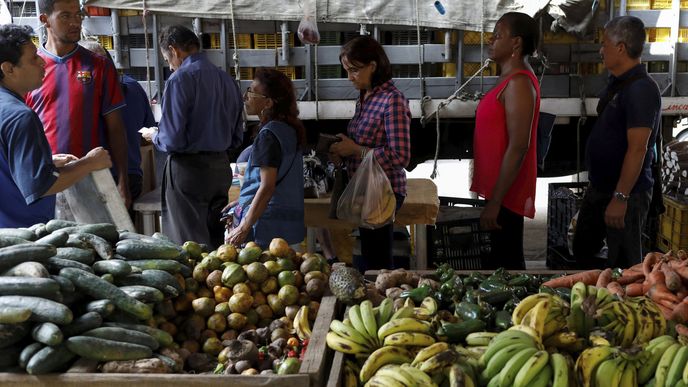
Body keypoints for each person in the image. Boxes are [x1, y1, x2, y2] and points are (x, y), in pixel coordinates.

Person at [0, 24, 112, 228]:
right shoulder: (20, 116)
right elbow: (41, 186)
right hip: (22, 235)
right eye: (33, 58)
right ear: (8, 69)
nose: (42, 62)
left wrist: (44, 162)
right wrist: (89, 163)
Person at [142, 25, 243, 248]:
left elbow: (172, 140)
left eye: (167, 59)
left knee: (189, 245)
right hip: (220, 169)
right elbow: (238, 136)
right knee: (216, 242)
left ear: (174, 50)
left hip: (189, 173)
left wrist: (155, 136)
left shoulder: (179, 80)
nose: (170, 65)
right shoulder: (227, 80)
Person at [573, 16, 661, 269]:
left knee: (624, 267)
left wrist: (620, 198)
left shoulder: (641, 89)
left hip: (626, 196)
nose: (601, 50)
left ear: (621, 47)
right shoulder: (620, 84)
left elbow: (638, 148)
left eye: (604, 44)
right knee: (583, 253)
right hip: (601, 189)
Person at [26, 0, 130, 207]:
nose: (75, 22)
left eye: (78, 16)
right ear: (45, 19)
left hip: (91, 178)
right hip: (45, 179)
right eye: (65, 16)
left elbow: (116, 128)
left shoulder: (99, 66)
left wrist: (123, 181)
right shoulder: (28, 69)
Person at [329, 36, 411, 272]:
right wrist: (342, 150)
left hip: (383, 192)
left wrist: (356, 150)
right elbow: (364, 144)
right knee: (370, 257)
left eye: (354, 70)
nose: (350, 77)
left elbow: (400, 156)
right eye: (347, 70)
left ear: (373, 66)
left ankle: (381, 303)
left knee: (378, 264)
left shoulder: (392, 100)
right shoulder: (364, 97)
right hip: (365, 190)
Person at [470, 12, 540, 270]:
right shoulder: (509, 79)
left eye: (498, 35)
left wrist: (496, 201)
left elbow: (519, 146)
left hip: (507, 197)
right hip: (499, 193)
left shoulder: (519, 83)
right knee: (500, 265)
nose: (491, 39)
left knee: (507, 266)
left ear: (516, 43)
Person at [226, 68, 305, 248]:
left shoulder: (268, 135)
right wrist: (244, 200)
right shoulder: (290, 130)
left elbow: (267, 186)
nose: (246, 97)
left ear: (268, 103)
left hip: (266, 233)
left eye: (252, 92)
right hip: (290, 232)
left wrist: (244, 226)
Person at [79, 40, 156, 207]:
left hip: (103, 177)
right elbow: (146, 133)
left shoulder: (90, 93)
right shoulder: (133, 86)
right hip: (131, 176)